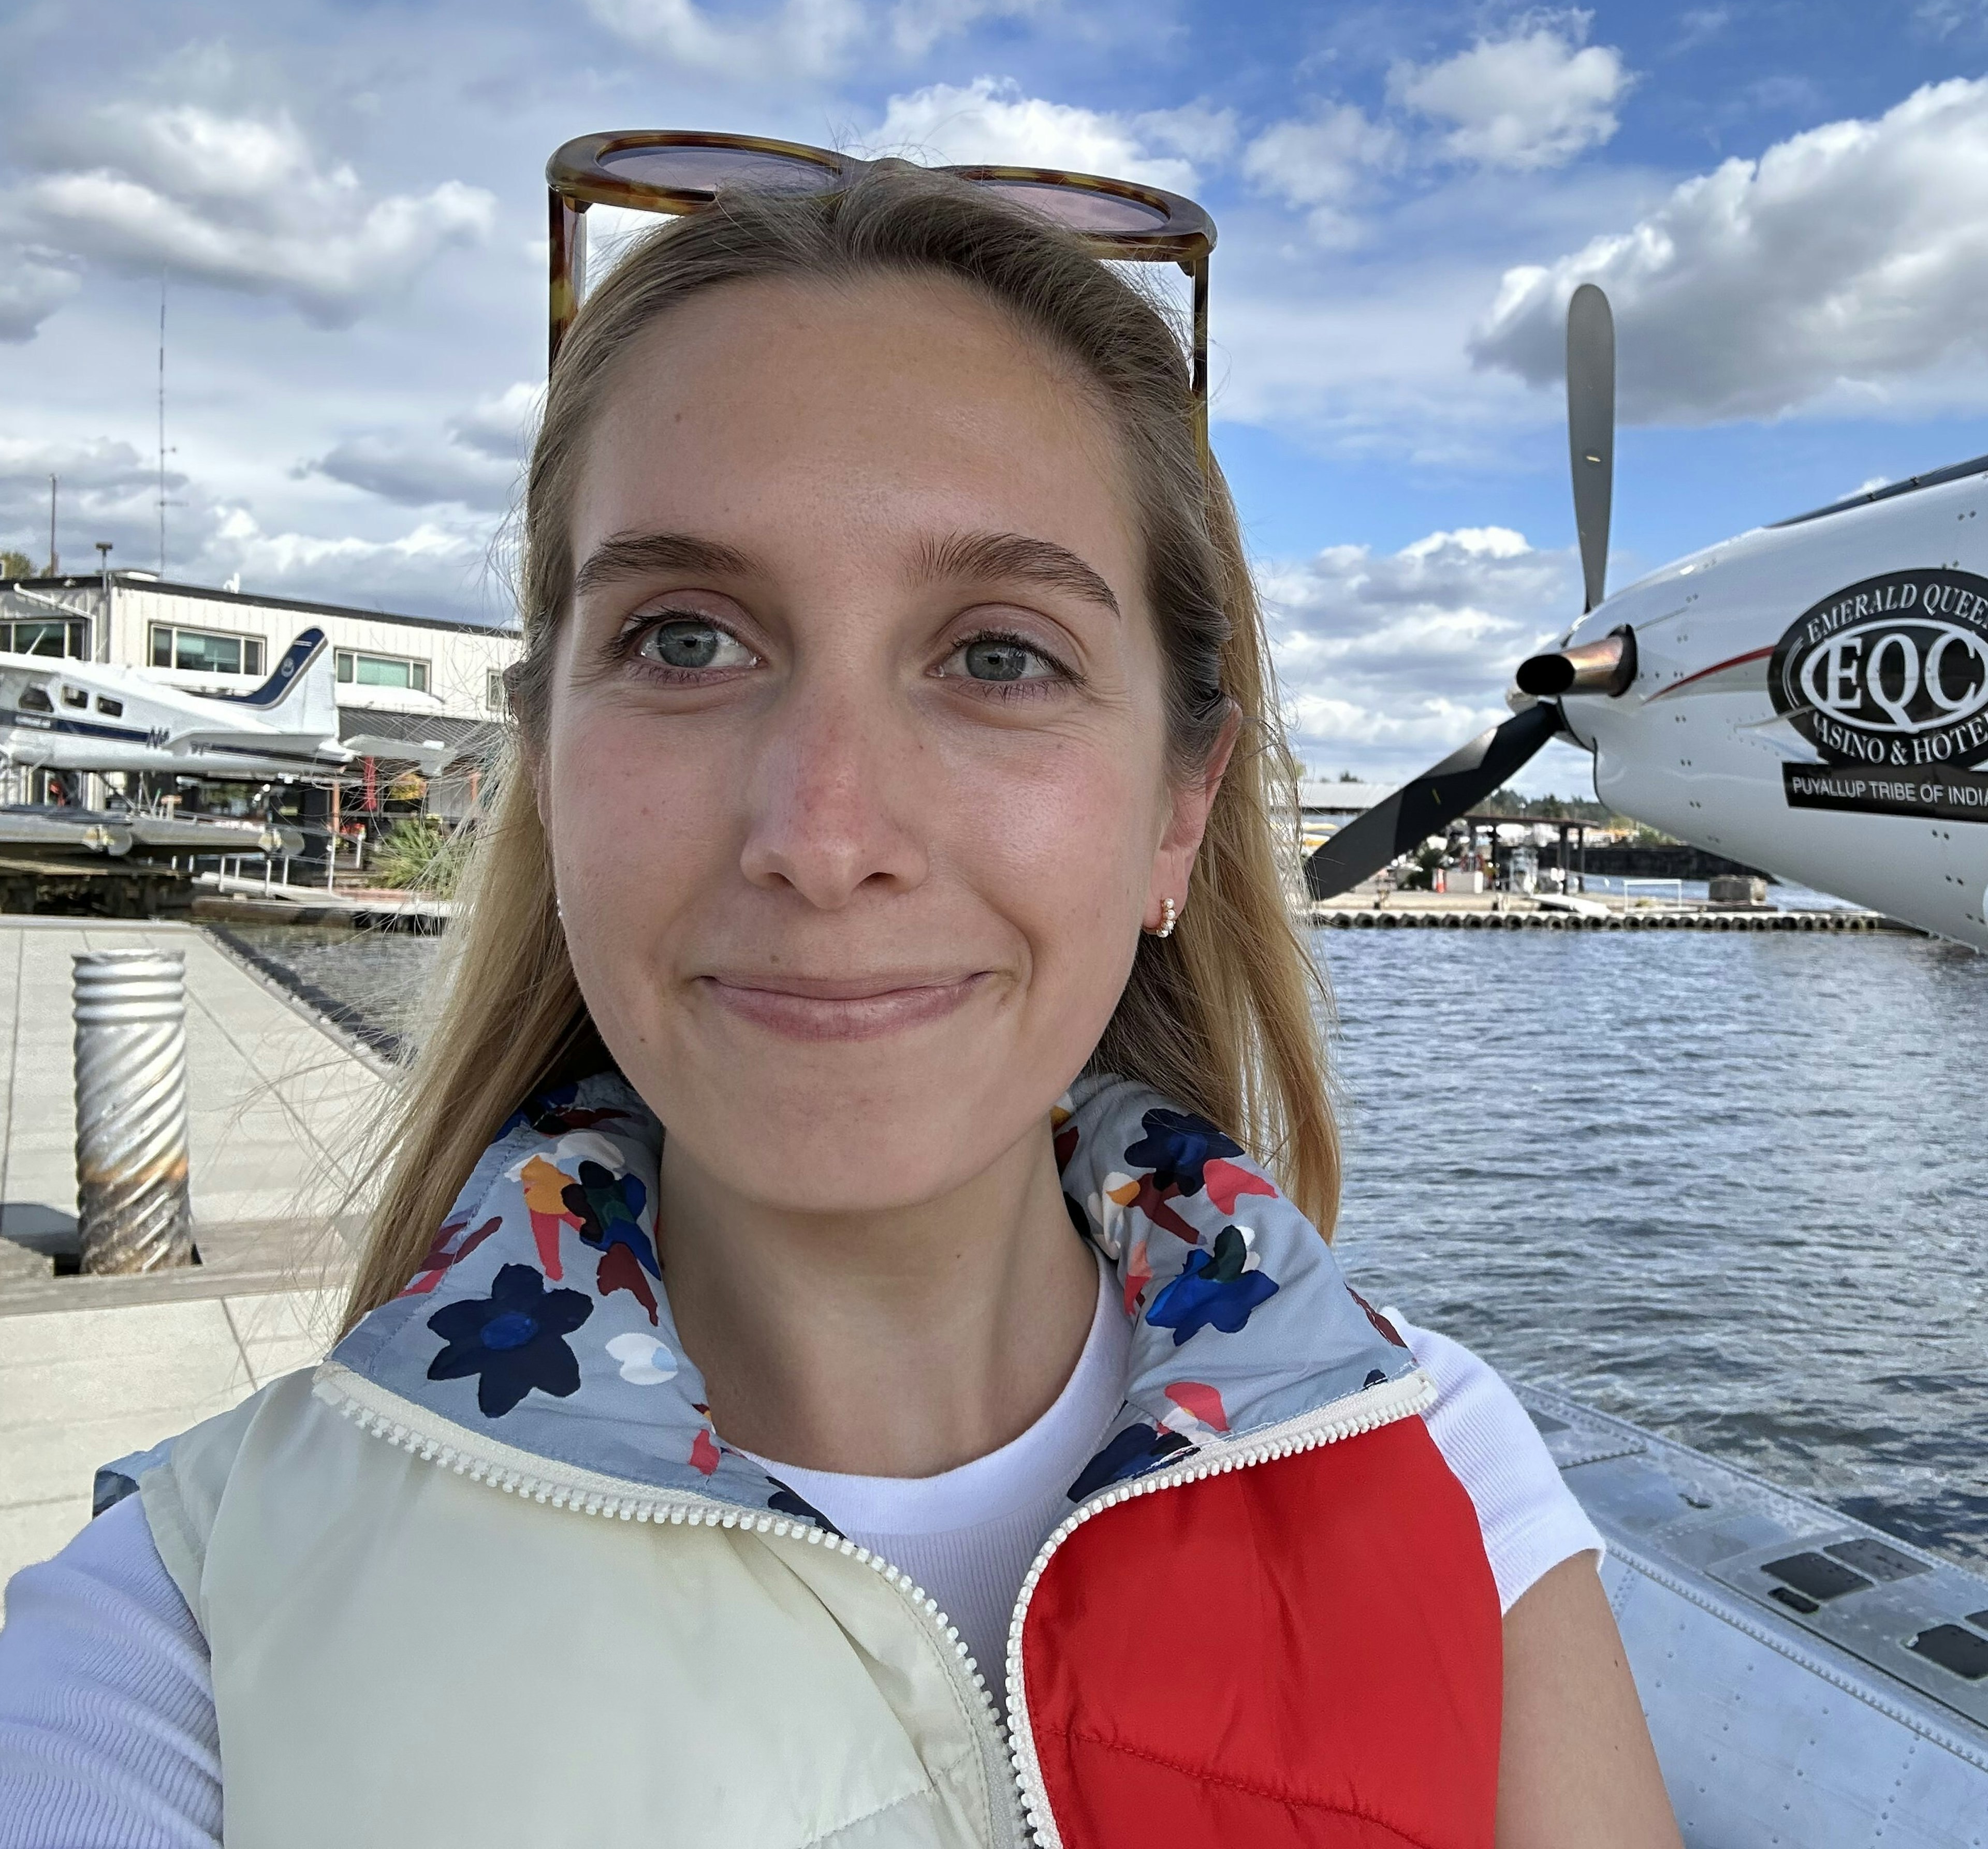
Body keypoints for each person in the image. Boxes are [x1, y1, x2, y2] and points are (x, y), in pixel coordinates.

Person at [0, 162, 1680, 1847]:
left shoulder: (1450, 1471)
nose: (823, 836)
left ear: (1180, 809)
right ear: (551, 767)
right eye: (682, 641)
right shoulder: (183, 1629)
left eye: (1000, 657)